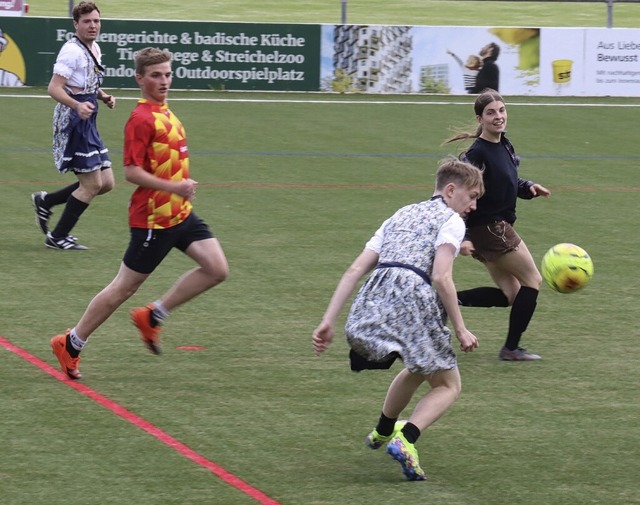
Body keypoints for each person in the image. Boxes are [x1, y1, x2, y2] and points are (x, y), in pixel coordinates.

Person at [50, 47, 229, 380]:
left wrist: (179, 192)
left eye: (167, 74)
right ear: (140, 78)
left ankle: (154, 315)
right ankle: (71, 342)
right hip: (153, 220)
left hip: (180, 214)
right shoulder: (141, 118)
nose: (163, 81)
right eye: (156, 75)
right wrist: (175, 187)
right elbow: (131, 172)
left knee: (217, 268)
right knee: (123, 288)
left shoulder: (166, 112)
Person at [312, 159, 484, 481]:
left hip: (374, 301)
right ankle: (407, 439)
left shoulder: (400, 214)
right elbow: (441, 277)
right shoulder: (451, 219)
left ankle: (383, 430)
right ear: (451, 190)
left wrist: (328, 320)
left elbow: (354, 270)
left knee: (419, 365)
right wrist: (460, 328)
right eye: (471, 196)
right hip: (413, 299)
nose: (473, 205)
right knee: (448, 384)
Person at [445, 89, 550, 361]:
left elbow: (508, 181)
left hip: (492, 228)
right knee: (533, 281)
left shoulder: (505, 144)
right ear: (480, 118)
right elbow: (461, 196)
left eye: (501, 111)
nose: (498, 117)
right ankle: (511, 349)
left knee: (511, 293)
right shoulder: (476, 154)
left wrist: (529, 187)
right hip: (490, 228)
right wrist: (464, 235)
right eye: (491, 113)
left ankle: (445, 300)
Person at [31, 1, 116, 250]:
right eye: (87, 21)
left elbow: (86, 83)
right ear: (75, 24)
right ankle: (57, 237)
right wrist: (77, 106)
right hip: (73, 121)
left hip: (87, 119)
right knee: (92, 184)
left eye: (96, 21)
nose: (93, 26)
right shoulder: (71, 51)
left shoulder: (94, 48)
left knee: (107, 182)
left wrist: (103, 96)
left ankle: (47, 201)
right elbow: (54, 88)